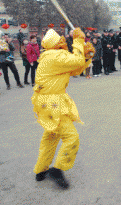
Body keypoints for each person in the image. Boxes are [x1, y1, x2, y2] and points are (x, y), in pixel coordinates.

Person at [31, 28, 91, 189]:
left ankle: (40, 170)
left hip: (48, 101)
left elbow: (75, 69)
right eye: (62, 41)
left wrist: (87, 56)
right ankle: (57, 170)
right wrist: (78, 41)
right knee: (71, 137)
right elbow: (76, 63)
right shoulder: (54, 56)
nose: (65, 43)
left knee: (51, 136)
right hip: (52, 103)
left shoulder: (53, 56)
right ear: (56, 44)